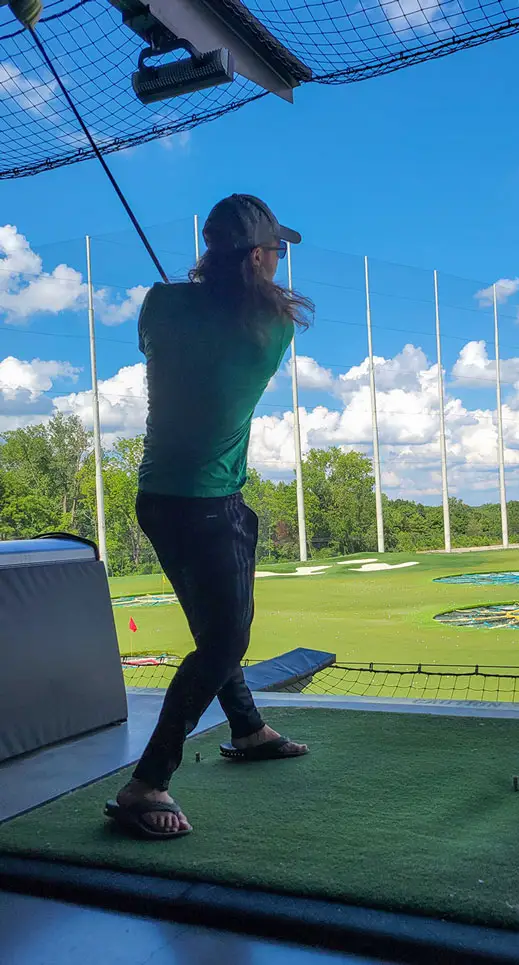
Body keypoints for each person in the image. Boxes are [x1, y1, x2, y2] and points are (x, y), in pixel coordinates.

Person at [105, 194, 313, 840]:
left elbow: (157, 336)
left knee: (214, 626)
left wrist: (187, 289)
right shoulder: (270, 328)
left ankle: (247, 729)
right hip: (205, 502)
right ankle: (148, 782)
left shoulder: (161, 304)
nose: (280, 262)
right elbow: (243, 317)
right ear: (256, 256)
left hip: (160, 497)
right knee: (225, 639)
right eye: (276, 252)